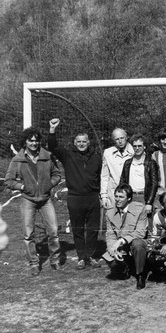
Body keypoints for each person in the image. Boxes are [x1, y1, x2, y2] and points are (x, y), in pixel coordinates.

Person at [5, 127, 62, 275]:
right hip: (27, 200)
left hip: (45, 199)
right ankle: (34, 263)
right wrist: (22, 186)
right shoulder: (17, 159)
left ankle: (55, 260)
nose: (34, 143)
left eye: (36, 140)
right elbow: (9, 180)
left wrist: (50, 184)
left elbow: (57, 175)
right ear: (25, 141)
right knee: (28, 234)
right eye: (31, 140)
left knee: (54, 230)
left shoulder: (47, 156)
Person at [48, 118, 102, 270]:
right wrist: (52, 130)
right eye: (78, 141)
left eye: (84, 141)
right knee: (78, 229)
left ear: (88, 142)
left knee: (92, 229)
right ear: (74, 142)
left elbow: (101, 176)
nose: (81, 144)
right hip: (75, 198)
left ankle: (90, 256)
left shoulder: (97, 157)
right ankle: (81, 257)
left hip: (92, 197)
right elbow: (53, 146)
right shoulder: (67, 155)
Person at [105, 184, 149, 289]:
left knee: (138, 244)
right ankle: (127, 265)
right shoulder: (110, 212)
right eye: (116, 196)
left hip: (135, 242)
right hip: (121, 246)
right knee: (114, 267)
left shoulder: (139, 209)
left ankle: (140, 275)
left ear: (128, 198)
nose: (117, 200)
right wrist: (113, 250)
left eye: (121, 197)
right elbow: (110, 235)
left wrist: (121, 241)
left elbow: (140, 232)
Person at [119, 134, 159, 215]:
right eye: (135, 146)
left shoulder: (151, 163)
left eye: (140, 146)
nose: (137, 148)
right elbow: (122, 181)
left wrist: (149, 202)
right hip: (130, 197)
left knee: (145, 224)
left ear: (144, 146)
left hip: (144, 197)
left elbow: (154, 184)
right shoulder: (127, 163)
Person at [100, 128, 134, 209]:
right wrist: (104, 196)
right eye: (117, 139)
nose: (120, 141)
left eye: (122, 138)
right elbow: (105, 176)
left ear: (126, 138)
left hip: (130, 194)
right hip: (113, 195)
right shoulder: (108, 153)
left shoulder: (134, 151)